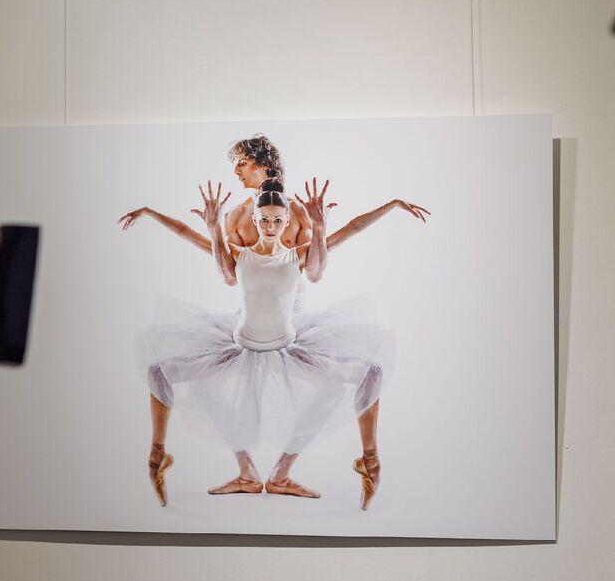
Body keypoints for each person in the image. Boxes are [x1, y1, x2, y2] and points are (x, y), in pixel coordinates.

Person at [119, 178, 427, 509]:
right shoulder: (239, 255)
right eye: (264, 220)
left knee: (371, 372)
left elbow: (352, 229)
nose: (270, 227)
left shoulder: (298, 255)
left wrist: (390, 205)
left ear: (286, 221)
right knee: (158, 371)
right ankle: (160, 455)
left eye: (277, 221)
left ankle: (367, 459)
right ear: (254, 220)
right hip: (239, 348)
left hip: (289, 348)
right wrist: (160, 215)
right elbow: (185, 234)